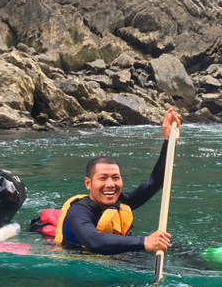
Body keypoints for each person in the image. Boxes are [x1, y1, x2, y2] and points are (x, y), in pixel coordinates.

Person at [55, 108, 180, 256]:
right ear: (88, 183)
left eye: (115, 177)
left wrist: (169, 141)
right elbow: (93, 242)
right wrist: (145, 242)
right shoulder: (77, 212)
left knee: (179, 249)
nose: (110, 184)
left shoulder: (121, 202)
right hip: (84, 266)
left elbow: (156, 182)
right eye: (103, 178)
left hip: (118, 259)